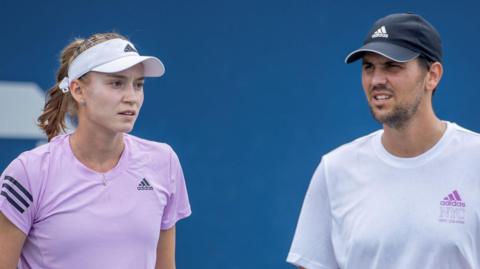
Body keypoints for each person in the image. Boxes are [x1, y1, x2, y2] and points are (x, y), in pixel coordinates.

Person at [287, 13, 480, 268]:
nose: (376, 80)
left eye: (392, 66)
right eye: (369, 67)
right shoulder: (335, 170)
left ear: (432, 75)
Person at [0, 33, 191, 269]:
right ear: (78, 91)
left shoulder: (164, 162)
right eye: (116, 83)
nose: (132, 97)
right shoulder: (28, 172)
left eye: (138, 85)